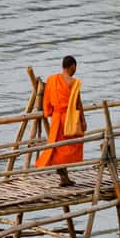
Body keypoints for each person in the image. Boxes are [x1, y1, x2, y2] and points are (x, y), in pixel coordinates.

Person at [35, 55, 87, 186]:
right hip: (68, 118)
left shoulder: (51, 79)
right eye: (75, 68)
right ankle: (63, 176)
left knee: (57, 148)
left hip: (56, 118)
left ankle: (64, 177)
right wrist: (83, 120)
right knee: (71, 146)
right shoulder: (74, 82)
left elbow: (46, 99)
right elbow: (78, 104)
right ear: (72, 66)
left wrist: (48, 112)